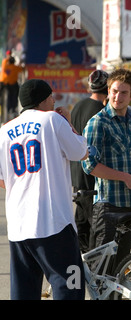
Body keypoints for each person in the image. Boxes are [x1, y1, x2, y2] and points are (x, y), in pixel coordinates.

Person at [0, 79, 88, 300]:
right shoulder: (53, 120)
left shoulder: (5, 130)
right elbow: (81, 152)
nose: (54, 100)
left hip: (19, 224)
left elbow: (2, 179)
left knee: (24, 291)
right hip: (53, 220)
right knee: (70, 285)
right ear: (42, 100)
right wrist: (69, 123)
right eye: (51, 96)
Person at [82, 68, 131, 271]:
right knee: (102, 272)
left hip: (130, 204)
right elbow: (89, 165)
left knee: (122, 269)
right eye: (114, 91)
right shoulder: (98, 123)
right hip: (108, 206)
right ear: (108, 90)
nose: (117, 97)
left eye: (123, 93)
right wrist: (125, 178)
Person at [70, 69, 109, 253]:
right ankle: (96, 273)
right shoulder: (102, 111)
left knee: (82, 228)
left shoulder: (78, 106)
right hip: (93, 178)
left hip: (77, 177)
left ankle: (82, 271)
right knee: (97, 230)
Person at [0, 50, 24, 119]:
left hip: (3, 83)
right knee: (14, 95)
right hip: (12, 84)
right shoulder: (15, 67)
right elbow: (22, 68)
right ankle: (13, 108)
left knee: (3, 97)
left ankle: (7, 107)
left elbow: (5, 60)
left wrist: (9, 56)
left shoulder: (4, 65)